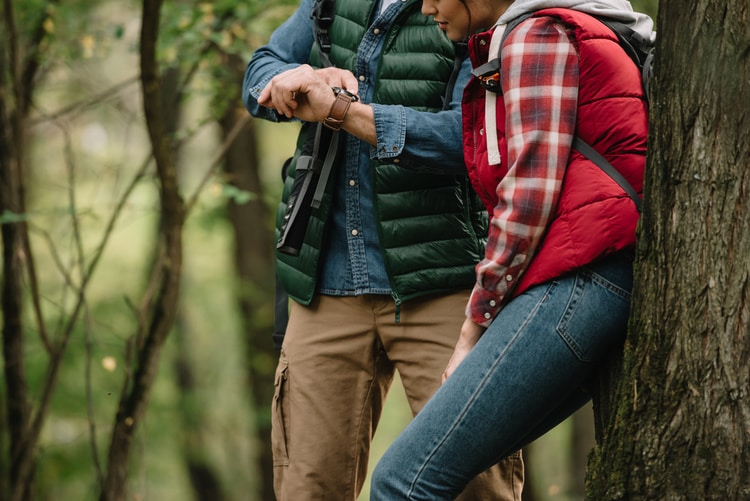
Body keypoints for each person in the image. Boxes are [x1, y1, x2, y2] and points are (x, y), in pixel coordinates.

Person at [369, 0, 654, 498]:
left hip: (583, 281)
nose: (426, 8)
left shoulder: (537, 36)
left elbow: (528, 196)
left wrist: (472, 327)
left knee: (403, 482)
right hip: (600, 275)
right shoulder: (581, 23)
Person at [241, 0, 524, 499]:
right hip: (324, 282)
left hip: (442, 280)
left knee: (476, 484)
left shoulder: (471, 6)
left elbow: (471, 138)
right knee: (307, 486)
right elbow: (260, 70)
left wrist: (345, 113)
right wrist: (294, 77)